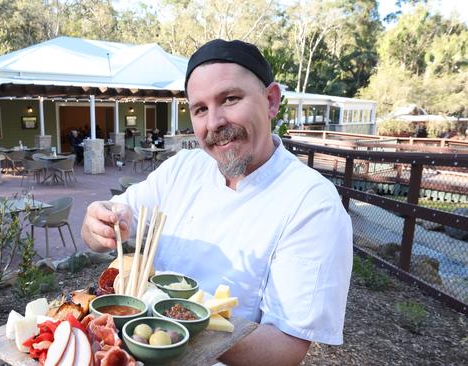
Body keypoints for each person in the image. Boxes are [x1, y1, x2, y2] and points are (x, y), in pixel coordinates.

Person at [81, 39, 353, 365]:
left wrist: (180, 322)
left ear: (271, 101)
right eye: (200, 109)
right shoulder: (183, 168)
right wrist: (97, 223)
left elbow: (285, 348)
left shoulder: (312, 205)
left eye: (230, 99)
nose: (214, 123)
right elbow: (109, 224)